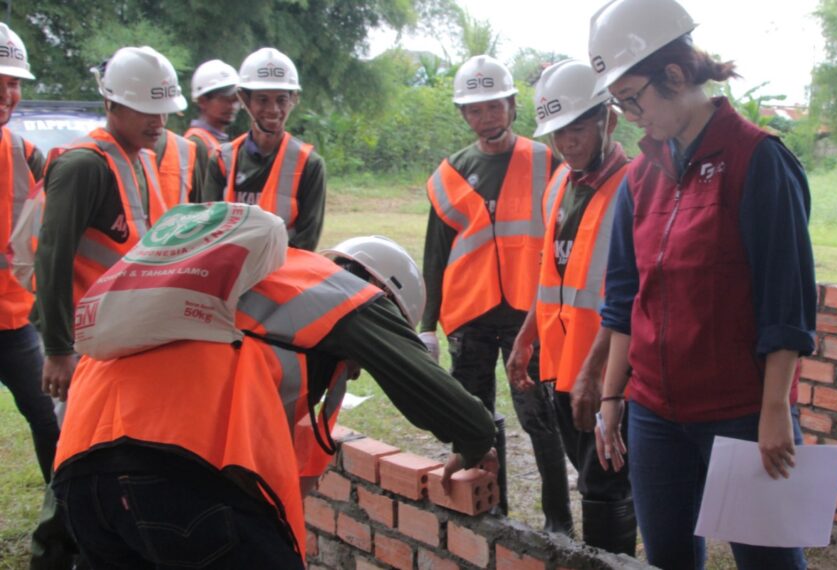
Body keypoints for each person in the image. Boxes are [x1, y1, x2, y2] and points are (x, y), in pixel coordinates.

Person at [51, 227, 497, 568]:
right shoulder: (342, 292)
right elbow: (455, 409)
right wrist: (476, 441)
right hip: (178, 475)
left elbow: (291, 470)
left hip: (79, 476)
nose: (359, 370)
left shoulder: (265, 285)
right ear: (383, 299)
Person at [589, 0, 817, 568]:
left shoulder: (757, 159)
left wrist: (774, 410)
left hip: (741, 411)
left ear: (673, 74)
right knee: (667, 558)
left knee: (769, 562)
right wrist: (613, 398)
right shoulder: (640, 177)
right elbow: (626, 299)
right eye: (618, 103)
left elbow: (786, 301)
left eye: (632, 98)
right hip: (654, 412)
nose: (630, 115)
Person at [32, 44, 184, 570]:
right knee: (75, 463)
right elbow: (52, 259)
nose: (158, 121)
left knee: (103, 461)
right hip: (84, 349)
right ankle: (52, 556)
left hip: (118, 345)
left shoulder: (137, 159)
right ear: (112, 104)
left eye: (164, 110)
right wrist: (57, 350)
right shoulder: (84, 165)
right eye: (146, 109)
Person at [420, 54, 572, 534]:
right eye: (475, 109)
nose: (486, 116)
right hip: (470, 313)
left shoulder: (546, 161)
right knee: (474, 419)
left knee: (540, 419)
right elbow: (435, 253)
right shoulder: (451, 173)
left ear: (511, 105)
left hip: (528, 314)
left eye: (494, 106)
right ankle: (492, 512)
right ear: (464, 114)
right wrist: (427, 324)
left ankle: (559, 523)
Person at [506, 59, 635, 554]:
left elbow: (632, 293)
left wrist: (596, 372)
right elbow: (551, 276)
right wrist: (526, 338)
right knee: (588, 473)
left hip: (607, 373)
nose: (567, 142)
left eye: (577, 128)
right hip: (561, 366)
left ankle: (611, 562)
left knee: (605, 483)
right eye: (558, 132)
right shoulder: (560, 183)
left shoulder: (633, 187)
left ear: (609, 120)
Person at [0, 22, 57, 486]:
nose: (7, 95)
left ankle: (66, 520)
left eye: (14, 83)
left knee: (50, 420)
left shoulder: (26, 154)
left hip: (14, 321)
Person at [202, 48, 325, 251]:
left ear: (293, 99)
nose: (273, 109)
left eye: (281, 100)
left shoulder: (309, 165)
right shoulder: (222, 161)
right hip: (230, 269)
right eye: (262, 99)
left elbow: (307, 241)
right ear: (244, 99)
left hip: (286, 269)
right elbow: (208, 230)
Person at [184, 59, 240, 200]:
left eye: (235, 99)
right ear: (202, 101)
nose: (232, 106)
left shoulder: (217, 141)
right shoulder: (196, 144)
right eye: (224, 99)